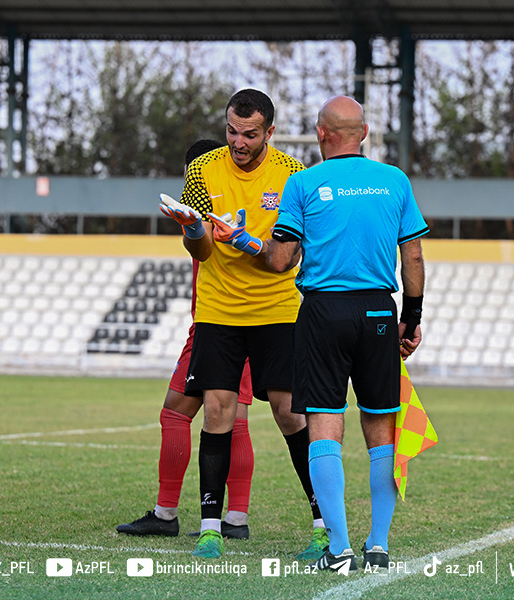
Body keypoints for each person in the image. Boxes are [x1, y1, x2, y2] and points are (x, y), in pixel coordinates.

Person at [261, 95, 428, 573]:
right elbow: (412, 258)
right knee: (381, 432)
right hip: (378, 310)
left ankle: (338, 549)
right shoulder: (395, 180)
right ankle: (378, 545)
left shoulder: (303, 182)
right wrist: (410, 319)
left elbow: (279, 260)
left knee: (324, 429)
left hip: (322, 312)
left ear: (320, 134)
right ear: (366, 133)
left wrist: (252, 239)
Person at [160, 89, 326, 560]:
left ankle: (322, 525)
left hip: (277, 310)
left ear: (269, 132)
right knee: (217, 411)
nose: (238, 142)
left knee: (290, 414)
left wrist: (245, 240)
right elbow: (202, 252)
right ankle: (210, 528)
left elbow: (283, 261)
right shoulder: (202, 169)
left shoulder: (295, 175)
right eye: (232, 130)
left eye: (250, 134)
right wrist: (192, 230)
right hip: (218, 310)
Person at [117, 139, 256, 540]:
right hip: (253, 322)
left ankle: (166, 513)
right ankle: (236, 519)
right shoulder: (237, 207)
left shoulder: (208, 214)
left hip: (218, 325)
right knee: (237, 419)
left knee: (175, 413)